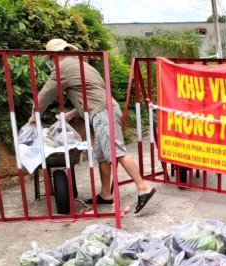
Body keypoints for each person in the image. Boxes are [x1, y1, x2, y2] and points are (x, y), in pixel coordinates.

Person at [28, 38, 156, 213]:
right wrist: (71, 114)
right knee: (102, 156)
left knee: (116, 152)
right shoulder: (81, 64)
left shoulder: (63, 68)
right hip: (104, 110)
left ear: (54, 55)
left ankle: (143, 187)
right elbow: (91, 94)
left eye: (50, 58)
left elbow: (46, 94)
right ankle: (105, 194)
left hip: (103, 113)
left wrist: (34, 115)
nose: (50, 62)